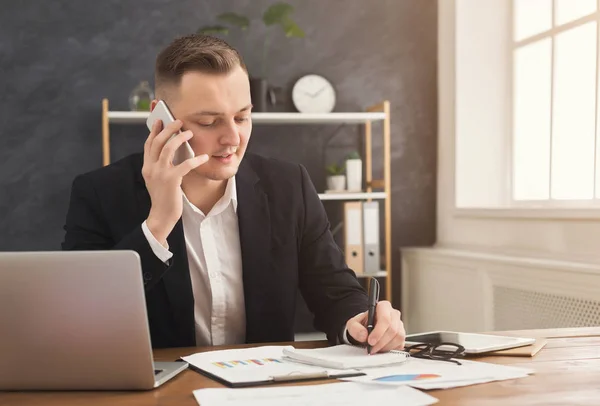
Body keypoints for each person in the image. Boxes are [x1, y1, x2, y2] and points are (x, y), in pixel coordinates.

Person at [62, 34, 405, 351]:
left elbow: (335, 291)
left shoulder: (289, 186)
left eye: (241, 117)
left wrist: (360, 321)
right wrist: (158, 224)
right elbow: (80, 318)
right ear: (160, 121)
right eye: (209, 122)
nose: (232, 138)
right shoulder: (99, 194)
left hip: (261, 390)